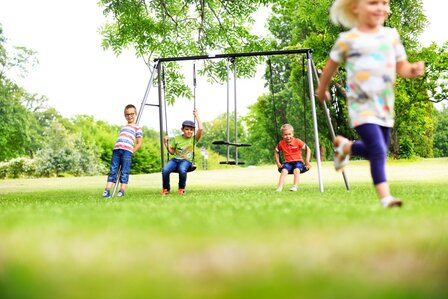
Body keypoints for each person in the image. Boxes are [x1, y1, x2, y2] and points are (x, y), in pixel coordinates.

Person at [316, 0, 425, 207]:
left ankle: (345, 146)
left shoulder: (391, 36)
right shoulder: (347, 39)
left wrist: (412, 71)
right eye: (373, 3)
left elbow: (401, 67)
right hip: (361, 106)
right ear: (355, 7)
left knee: (378, 150)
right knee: (377, 150)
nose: (381, 8)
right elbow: (330, 67)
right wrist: (322, 90)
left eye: (384, 3)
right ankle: (386, 197)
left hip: (384, 106)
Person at [102, 104, 143, 198]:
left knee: (124, 171)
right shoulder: (123, 127)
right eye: (127, 114)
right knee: (113, 170)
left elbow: (139, 143)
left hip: (127, 152)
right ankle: (107, 190)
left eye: (132, 114)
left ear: (135, 114)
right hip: (117, 150)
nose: (130, 116)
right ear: (125, 115)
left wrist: (132, 151)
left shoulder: (137, 128)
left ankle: (121, 191)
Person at [161, 109, 203, 195]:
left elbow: (201, 129)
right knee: (165, 170)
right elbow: (172, 152)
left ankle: (181, 189)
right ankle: (166, 189)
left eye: (191, 130)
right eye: (187, 129)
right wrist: (165, 143)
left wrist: (197, 116)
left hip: (186, 161)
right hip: (175, 160)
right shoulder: (176, 138)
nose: (189, 131)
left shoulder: (194, 139)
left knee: (182, 169)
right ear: (182, 129)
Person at [274, 124, 311, 192]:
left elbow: (308, 149)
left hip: (298, 162)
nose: (288, 136)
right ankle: (279, 187)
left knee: (296, 170)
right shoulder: (281, 143)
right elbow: (276, 152)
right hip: (288, 163)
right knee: (283, 171)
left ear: (292, 134)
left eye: (289, 134)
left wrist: (307, 162)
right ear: (282, 135)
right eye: (285, 134)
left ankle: (295, 186)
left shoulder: (297, 141)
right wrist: (278, 163)